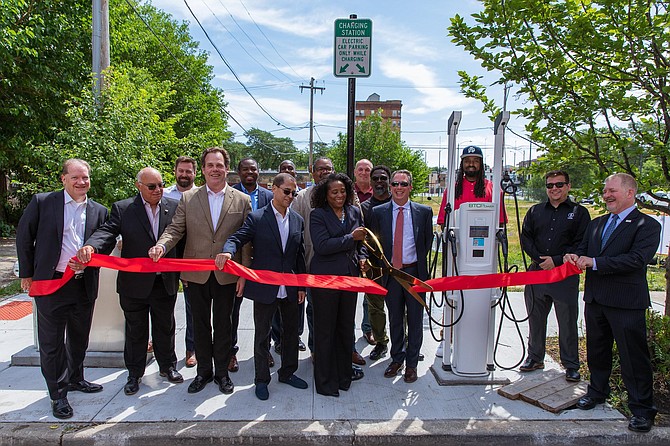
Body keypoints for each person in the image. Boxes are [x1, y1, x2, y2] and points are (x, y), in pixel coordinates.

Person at [149, 147, 251, 395]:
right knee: (200, 325)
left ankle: (222, 374)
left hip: (227, 274)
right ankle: (204, 372)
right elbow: (175, 229)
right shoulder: (188, 199)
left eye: (219, 165)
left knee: (225, 326)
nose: (215, 169)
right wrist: (161, 245)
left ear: (227, 168)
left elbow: (247, 240)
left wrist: (244, 273)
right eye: (210, 165)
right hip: (196, 275)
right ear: (203, 169)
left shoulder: (241, 199)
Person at [565, 173, 661, 433]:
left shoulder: (647, 226)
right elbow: (584, 250)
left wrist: (594, 263)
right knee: (597, 352)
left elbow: (636, 260)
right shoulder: (597, 224)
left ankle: (642, 410)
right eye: (605, 191)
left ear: (630, 193)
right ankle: (597, 392)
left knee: (633, 358)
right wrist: (574, 256)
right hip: (596, 300)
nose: (606, 195)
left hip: (626, 303)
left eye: (612, 191)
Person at [77, 167, 183, 396]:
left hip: (164, 282)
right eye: (152, 186)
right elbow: (107, 232)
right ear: (139, 186)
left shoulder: (173, 207)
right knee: (136, 331)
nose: (158, 190)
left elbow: (181, 241)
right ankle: (134, 374)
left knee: (165, 327)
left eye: (161, 185)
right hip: (134, 284)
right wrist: (91, 247)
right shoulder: (124, 209)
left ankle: (168, 366)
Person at [16, 158, 108, 419]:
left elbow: (104, 237)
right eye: (76, 177)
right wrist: (27, 273)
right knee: (52, 343)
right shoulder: (44, 202)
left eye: (86, 177)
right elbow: (24, 236)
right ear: (63, 179)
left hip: (83, 284)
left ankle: (76, 378)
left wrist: (93, 248)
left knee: (79, 338)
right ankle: (58, 394)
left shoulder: (99, 210)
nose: (82, 182)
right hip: (51, 283)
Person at [217, 173, 308, 400]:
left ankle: (287, 372)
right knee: (262, 336)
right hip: (265, 288)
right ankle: (261, 379)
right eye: (286, 191)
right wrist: (228, 251)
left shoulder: (297, 219)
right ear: (274, 189)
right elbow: (238, 237)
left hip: (289, 287)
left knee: (290, 334)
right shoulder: (257, 218)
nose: (290, 196)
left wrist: (302, 285)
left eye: (293, 193)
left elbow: (299, 255)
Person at [519, 170, 590, 382]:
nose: (554, 189)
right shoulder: (535, 211)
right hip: (538, 273)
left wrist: (557, 260)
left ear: (568, 186)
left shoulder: (579, 213)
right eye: (550, 185)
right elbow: (526, 238)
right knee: (535, 318)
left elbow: (581, 242)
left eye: (559, 184)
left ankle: (570, 365)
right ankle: (535, 357)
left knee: (567, 322)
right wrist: (541, 260)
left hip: (564, 274)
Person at [369, 170, 433, 383]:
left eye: (403, 184)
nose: (398, 187)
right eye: (395, 183)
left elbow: (426, 243)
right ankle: (397, 359)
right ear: (391, 186)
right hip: (391, 274)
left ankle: (412, 364)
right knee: (395, 318)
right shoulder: (379, 212)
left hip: (414, 274)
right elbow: (374, 245)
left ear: (410, 187)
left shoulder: (423, 212)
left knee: (415, 321)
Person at [309, 173, 368, 397]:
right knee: (325, 330)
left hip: (350, 276)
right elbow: (322, 245)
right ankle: (325, 382)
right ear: (325, 194)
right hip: (325, 279)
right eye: (334, 192)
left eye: (343, 191)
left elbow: (361, 240)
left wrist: (362, 256)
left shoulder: (354, 211)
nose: (340, 195)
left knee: (345, 328)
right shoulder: (318, 215)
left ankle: (344, 375)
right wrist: (350, 239)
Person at [229, 158, 274, 373]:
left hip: (265, 261)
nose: (249, 172)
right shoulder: (230, 195)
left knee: (267, 311)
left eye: (253, 169)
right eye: (245, 169)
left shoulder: (269, 196)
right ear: (238, 172)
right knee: (232, 310)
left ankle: (265, 352)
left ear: (259, 172)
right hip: (238, 261)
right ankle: (231, 352)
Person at [163, 156, 198, 369]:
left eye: (189, 171)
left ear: (195, 173)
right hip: (167, 257)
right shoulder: (163, 194)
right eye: (181, 171)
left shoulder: (200, 195)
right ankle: (163, 349)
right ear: (175, 171)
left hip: (191, 259)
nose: (184, 175)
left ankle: (191, 348)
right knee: (164, 305)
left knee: (191, 307)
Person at [360, 165, 393, 361]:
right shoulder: (364, 209)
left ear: (388, 181)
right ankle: (381, 342)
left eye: (383, 178)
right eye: (376, 179)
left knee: (400, 308)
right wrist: (363, 258)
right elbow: (362, 238)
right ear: (371, 183)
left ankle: (403, 341)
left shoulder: (398, 204)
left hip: (398, 266)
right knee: (375, 308)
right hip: (373, 267)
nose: (379, 182)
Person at [436, 145, 506, 226]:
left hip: (486, 237)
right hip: (458, 237)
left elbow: (501, 222)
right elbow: (443, 222)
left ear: (481, 164)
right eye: (467, 161)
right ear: (462, 164)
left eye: (476, 161)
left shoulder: (493, 189)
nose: (471, 164)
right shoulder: (452, 190)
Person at [353, 159, 375, 347]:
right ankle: (347, 332)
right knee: (350, 292)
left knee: (370, 291)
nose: (363, 172)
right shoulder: (347, 193)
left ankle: (368, 328)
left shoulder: (379, 193)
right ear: (354, 172)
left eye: (367, 169)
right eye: (360, 169)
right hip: (351, 248)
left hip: (374, 249)